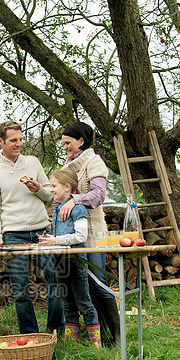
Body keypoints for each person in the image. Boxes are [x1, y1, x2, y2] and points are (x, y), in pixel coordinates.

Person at [0, 121, 64, 335]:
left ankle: (56, 331)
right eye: (13, 140)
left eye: (20, 139)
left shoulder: (33, 162)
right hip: (13, 234)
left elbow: (50, 196)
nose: (19, 144)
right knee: (20, 290)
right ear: (1, 141)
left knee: (56, 280)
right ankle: (31, 335)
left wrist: (38, 188)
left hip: (42, 230)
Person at [58, 121, 121, 345]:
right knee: (83, 285)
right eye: (63, 143)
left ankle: (118, 338)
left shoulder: (95, 163)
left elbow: (97, 196)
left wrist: (75, 198)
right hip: (73, 236)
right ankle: (101, 337)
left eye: (68, 143)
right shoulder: (68, 165)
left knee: (99, 283)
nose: (64, 146)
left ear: (81, 141)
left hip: (93, 234)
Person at [38, 170, 101, 347]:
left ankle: (96, 346)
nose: (51, 190)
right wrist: (48, 239)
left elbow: (80, 236)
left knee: (84, 302)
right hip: (61, 263)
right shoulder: (57, 208)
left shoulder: (78, 208)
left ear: (67, 187)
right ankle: (71, 345)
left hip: (75, 261)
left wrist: (56, 240)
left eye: (53, 186)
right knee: (67, 304)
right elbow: (60, 236)